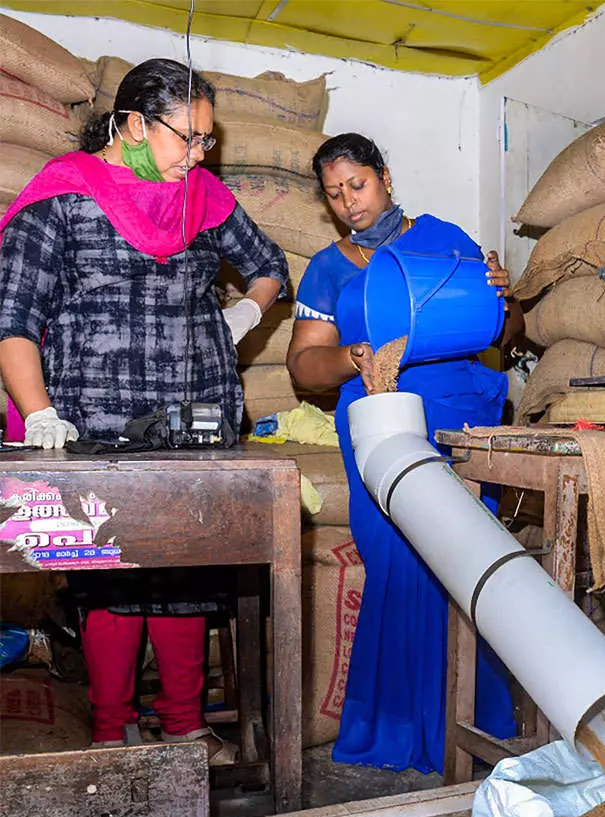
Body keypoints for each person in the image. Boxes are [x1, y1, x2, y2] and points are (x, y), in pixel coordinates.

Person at [0, 59, 287, 760]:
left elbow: (269, 260)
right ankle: (110, 734)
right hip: (94, 426)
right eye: (186, 138)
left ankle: (184, 726)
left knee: (187, 573)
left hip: (196, 417)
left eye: (205, 141)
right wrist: (39, 414)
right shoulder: (62, 199)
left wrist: (247, 310)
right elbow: (11, 319)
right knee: (108, 576)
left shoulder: (203, 196)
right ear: (132, 122)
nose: (196, 155)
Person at [287, 133, 517, 772]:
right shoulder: (330, 269)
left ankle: (478, 723)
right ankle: (396, 729)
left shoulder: (447, 240)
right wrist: (355, 357)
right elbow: (304, 367)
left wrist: (505, 294)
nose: (348, 204)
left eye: (356, 186)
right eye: (334, 194)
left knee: (466, 567)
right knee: (398, 565)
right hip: (383, 425)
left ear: (384, 176)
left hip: (461, 423)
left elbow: (506, 331)